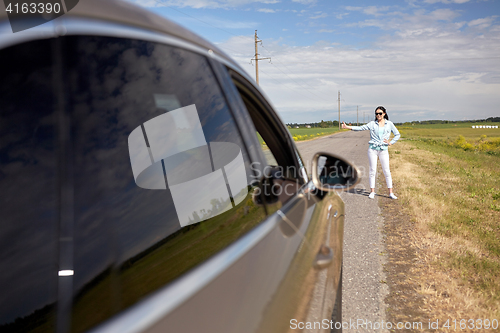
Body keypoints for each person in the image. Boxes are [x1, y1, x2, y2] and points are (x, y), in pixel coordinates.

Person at [341, 106, 400, 199]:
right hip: (372, 150)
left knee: (387, 171)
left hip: (383, 150)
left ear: (384, 114)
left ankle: (391, 193)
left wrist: (391, 142)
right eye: (376, 113)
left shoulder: (389, 124)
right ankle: (372, 191)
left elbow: (397, 134)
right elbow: (360, 128)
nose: (378, 115)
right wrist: (347, 127)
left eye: (380, 113)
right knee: (373, 171)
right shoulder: (372, 124)